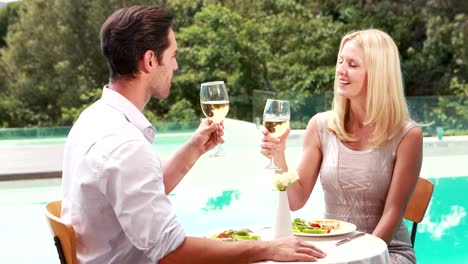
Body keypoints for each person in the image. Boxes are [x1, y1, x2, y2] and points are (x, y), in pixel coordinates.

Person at [61, 5, 325, 264]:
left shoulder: (92, 120)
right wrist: (266, 249)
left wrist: (193, 148)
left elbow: (139, 194)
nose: (175, 66)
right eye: (173, 56)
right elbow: (171, 253)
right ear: (150, 60)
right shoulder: (126, 145)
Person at [261, 29, 422, 264]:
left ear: (378, 74)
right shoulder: (320, 125)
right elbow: (295, 201)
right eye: (340, 61)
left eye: (353, 64)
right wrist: (279, 156)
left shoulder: (408, 135)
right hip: (332, 250)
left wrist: (359, 258)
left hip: (386, 252)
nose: (340, 70)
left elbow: (392, 214)